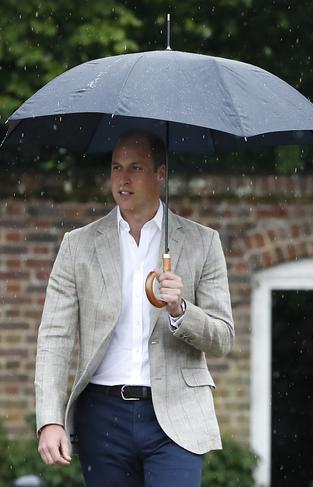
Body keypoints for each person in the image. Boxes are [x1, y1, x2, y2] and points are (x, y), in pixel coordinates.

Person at [34, 130, 234, 487]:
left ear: (161, 174)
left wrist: (181, 310)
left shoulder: (203, 242)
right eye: (116, 167)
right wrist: (50, 419)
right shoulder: (77, 246)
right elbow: (54, 338)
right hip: (102, 415)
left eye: (136, 168)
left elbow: (223, 338)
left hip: (177, 414)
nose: (123, 179)